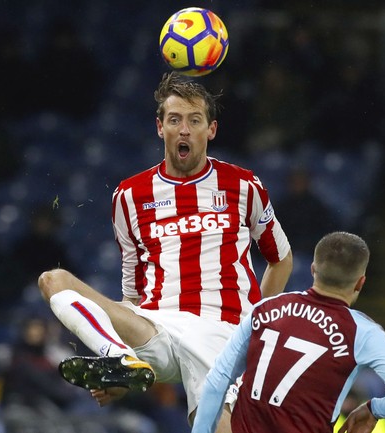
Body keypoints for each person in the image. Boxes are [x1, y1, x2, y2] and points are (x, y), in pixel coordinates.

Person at [37, 72, 293, 432]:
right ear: (160, 128)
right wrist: (120, 370)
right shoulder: (129, 196)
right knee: (54, 280)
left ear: (212, 129)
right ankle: (120, 362)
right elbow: (131, 293)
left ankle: (125, 365)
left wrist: (253, 329)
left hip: (221, 330)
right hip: (157, 328)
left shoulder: (243, 185)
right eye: (175, 120)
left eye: (194, 120)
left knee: (217, 427)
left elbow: (281, 259)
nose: (184, 130)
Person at [191, 231, 385, 433]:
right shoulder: (363, 332)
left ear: (313, 270)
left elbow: (217, 380)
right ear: (360, 283)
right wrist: (373, 409)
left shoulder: (266, 308)